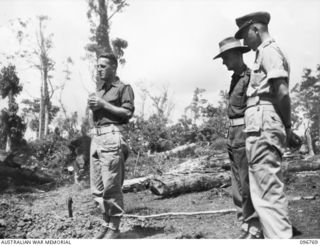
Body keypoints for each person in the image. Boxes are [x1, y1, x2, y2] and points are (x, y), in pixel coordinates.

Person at [234, 11, 297, 238]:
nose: (244, 42)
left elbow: (281, 92)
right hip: (261, 122)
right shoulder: (265, 53)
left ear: (256, 30)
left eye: (245, 35)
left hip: (263, 123)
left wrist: (288, 127)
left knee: (268, 195)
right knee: (263, 191)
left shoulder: (269, 51)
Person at [213, 37, 261, 239]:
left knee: (247, 182)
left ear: (235, 55)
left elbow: (255, 108)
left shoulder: (251, 77)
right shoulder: (235, 78)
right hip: (233, 135)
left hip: (244, 132)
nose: (223, 62)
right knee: (236, 184)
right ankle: (245, 223)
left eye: (225, 58)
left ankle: (255, 226)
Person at [88, 52, 135, 239]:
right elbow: (99, 115)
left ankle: (114, 229)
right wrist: (95, 106)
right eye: (97, 66)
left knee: (112, 186)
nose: (98, 69)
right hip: (97, 138)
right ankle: (106, 224)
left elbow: (127, 113)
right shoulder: (99, 90)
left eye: (103, 66)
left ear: (114, 68)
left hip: (112, 136)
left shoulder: (123, 88)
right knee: (97, 187)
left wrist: (102, 104)